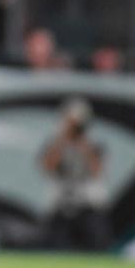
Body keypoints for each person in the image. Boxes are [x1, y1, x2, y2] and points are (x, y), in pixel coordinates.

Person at [39, 98, 110, 250]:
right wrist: (62, 140)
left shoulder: (94, 144)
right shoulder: (55, 144)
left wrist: (83, 144)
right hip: (60, 202)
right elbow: (47, 168)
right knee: (53, 248)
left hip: (88, 202)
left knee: (98, 246)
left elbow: (97, 172)